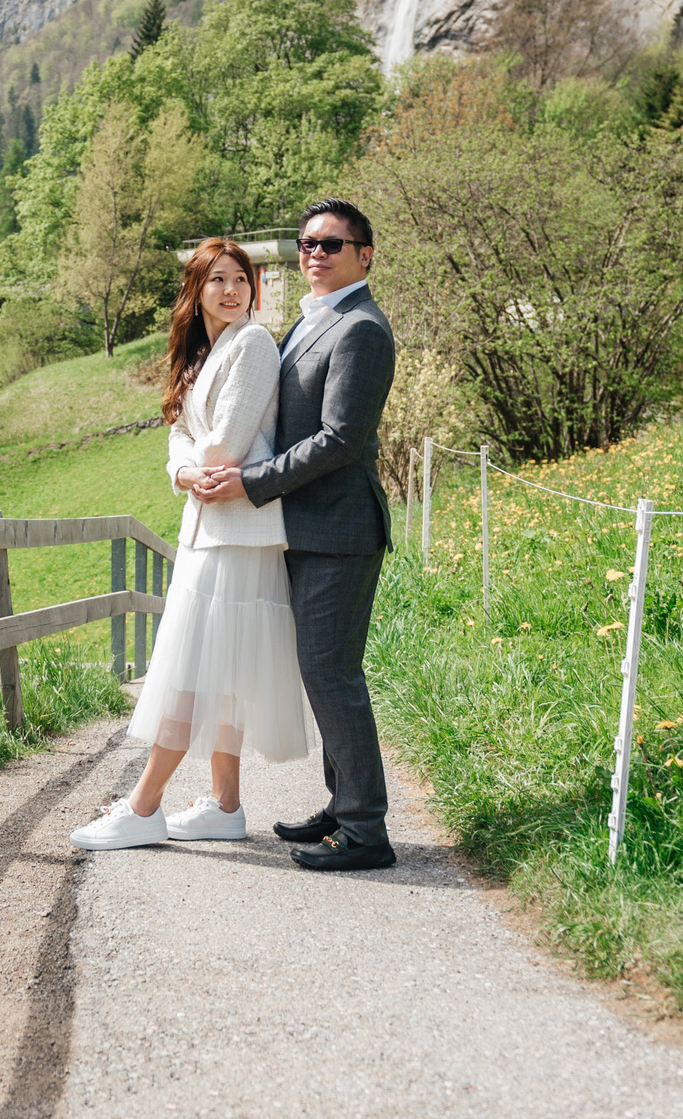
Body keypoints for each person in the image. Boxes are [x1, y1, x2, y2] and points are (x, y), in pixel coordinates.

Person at [70, 238, 308, 850]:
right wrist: (182, 473)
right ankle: (225, 805)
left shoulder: (252, 343)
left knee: (191, 671)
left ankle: (143, 806)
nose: (233, 291)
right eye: (218, 280)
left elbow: (225, 443)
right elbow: (178, 433)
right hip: (209, 527)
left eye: (241, 280)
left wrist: (198, 467)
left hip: (240, 531)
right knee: (217, 669)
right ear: (196, 290)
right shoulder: (202, 355)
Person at [190, 195, 397, 871]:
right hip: (306, 527)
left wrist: (251, 483)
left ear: (364, 256)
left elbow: (340, 440)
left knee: (332, 675)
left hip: (340, 527)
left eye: (331, 244)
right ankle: (343, 807)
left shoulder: (362, 327)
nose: (315, 253)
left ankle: (366, 829)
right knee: (321, 672)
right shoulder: (313, 321)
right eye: (308, 243)